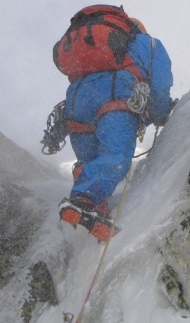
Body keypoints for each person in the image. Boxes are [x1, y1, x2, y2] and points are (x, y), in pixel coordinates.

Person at [59, 17, 174, 241]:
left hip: (76, 102)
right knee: (116, 157)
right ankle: (84, 200)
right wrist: (160, 114)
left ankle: (93, 200)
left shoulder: (92, 47)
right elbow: (161, 83)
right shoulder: (148, 43)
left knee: (94, 160)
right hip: (114, 95)